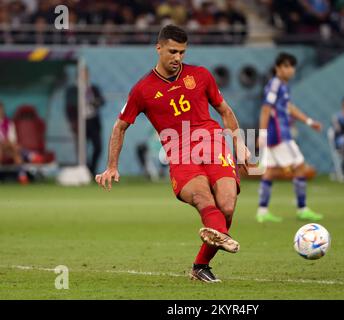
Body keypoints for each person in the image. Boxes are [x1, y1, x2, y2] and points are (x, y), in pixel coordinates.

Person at [95, 25, 250, 283]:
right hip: (180, 153)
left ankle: (201, 264)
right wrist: (112, 166)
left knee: (227, 205)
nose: (178, 58)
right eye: (172, 51)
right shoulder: (142, 90)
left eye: (182, 52)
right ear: (159, 48)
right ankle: (221, 236)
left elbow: (224, 110)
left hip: (212, 144)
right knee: (202, 198)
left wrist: (240, 143)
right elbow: (119, 126)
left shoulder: (200, 75)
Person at [256, 52, 323, 224]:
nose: (290, 69)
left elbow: (289, 107)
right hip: (280, 134)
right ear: (278, 68)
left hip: (275, 135)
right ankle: (302, 209)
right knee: (300, 167)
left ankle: (262, 211)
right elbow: (265, 108)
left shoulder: (283, 86)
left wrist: (309, 121)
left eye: (292, 66)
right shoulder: (276, 84)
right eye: (286, 66)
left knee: (269, 171)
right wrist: (262, 133)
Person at [65, 67, 105, 175]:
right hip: (80, 122)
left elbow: (102, 100)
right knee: (81, 149)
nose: (85, 76)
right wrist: (72, 122)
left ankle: (92, 170)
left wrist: (95, 102)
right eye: (83, 74)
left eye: (86, 74)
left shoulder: (93, 88)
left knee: (98, 147)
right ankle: (85, 171)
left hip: (93, 121)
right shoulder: (73, 90)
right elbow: (69, 107)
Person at [0, 102, 28, 184]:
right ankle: (29, 155)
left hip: (8, 148)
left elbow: (12, 138)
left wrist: (7, 142)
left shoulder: (9, 123)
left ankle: (22, 176)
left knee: (16, 154)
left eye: (1, 109)